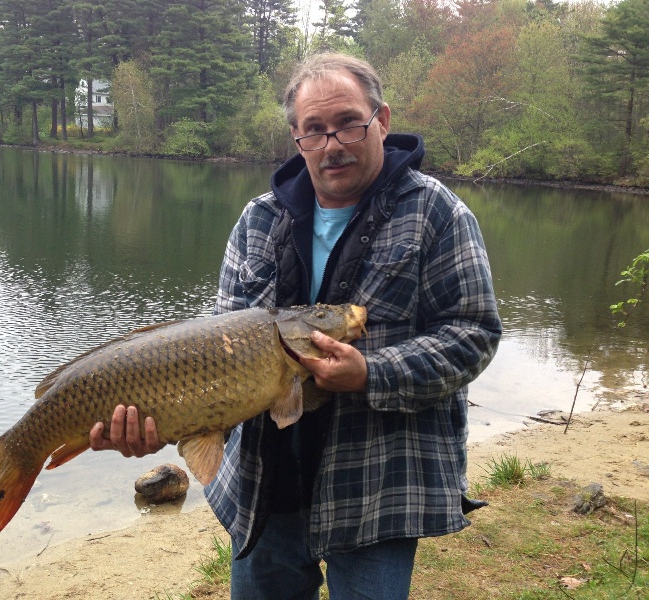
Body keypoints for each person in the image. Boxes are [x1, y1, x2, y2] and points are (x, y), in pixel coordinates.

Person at [90, 52, 502, 599]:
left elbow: (473, 333)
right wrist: (161, 420)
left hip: (378, 486)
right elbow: (215, 352)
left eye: (349, 124)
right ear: (297, 138)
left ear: (381, 120)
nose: (333, 143)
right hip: (267, 485)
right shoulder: (259, 219)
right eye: (315, 130)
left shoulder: (438, 214)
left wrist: (370, 373)